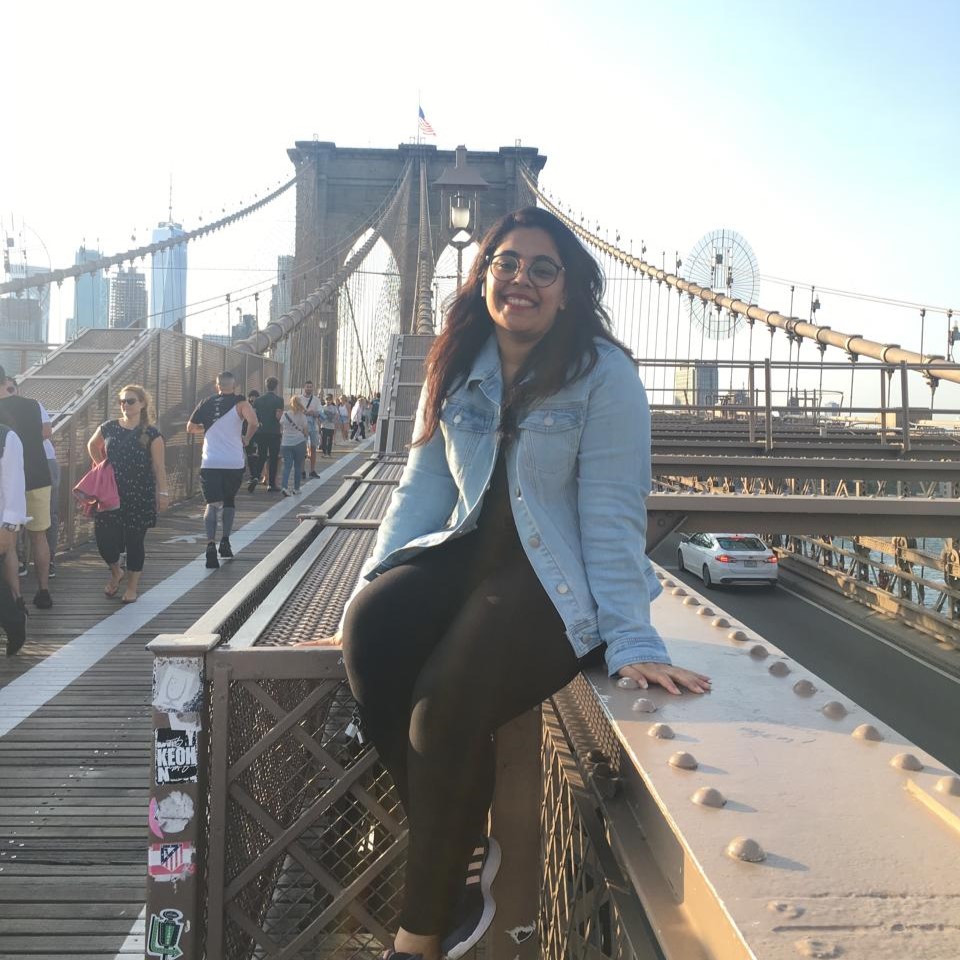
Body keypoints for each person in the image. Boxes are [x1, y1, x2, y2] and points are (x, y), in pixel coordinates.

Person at [296, 207, 710, 960]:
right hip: (465, 558)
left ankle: (416, 938)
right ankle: (456, 840)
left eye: (542, 268)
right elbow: (422, 486)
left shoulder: (605, 374)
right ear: (485, 276)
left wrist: (631, 637)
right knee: (371, 630)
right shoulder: (458, 360)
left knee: (443, 709)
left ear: (569, 290)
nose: (521, 279)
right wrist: (370, 583)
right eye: (507, 263)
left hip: (550, 584)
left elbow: (614, 512)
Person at [87, 385, 168, 603]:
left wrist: (163, 493)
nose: (125, 405)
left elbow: (159, 467)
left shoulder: (152, 434)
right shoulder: (109, 427)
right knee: (104, 538)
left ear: (142, 404)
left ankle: (132, 587)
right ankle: (116, 571)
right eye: (122, 401)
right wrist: (101, 466)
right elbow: (92, 445)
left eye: (130, 401)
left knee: (134, 541)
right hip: (111, 492)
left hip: (139, 493)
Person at [187, 372, 259, 569]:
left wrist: (209, 426)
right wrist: (246, 439)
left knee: (211, 504)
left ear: (216, 386)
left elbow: (190, 427)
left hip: (210, 461)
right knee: (229, 501)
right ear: (234, 385)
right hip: (233, 461)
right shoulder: (241, 403)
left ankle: (210, 545)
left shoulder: (206, 402)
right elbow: (253, 423)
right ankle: (225, 542)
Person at [0, 373, 53, 610]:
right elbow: (45, 433)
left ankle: (16, 599)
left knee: (9, 543)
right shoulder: (33, 405)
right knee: (39, 535)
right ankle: (43, 591)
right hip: (38, 475)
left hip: (8, 481)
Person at [0, 423, 28, 654]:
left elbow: (14, 484)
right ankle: (13, 621)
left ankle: (13, 621)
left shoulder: (6, 437)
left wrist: (8, 526)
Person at [250, 377, 284, 492]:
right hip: (274, 432)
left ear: (266, 385)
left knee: (261, 456)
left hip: (261, 432)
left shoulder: (258, 400)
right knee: (273, 458)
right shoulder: (279, 400)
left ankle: (255, 477)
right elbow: (278, 417)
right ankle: (271, 484)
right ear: (276, 386)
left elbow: (254, 416)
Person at [279, 395, 309, 496]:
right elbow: (305, 431)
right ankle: (296, 489)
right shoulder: (303, 416)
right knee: (297, 466)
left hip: (286, 443)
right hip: (299, 442)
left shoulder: (285, 414)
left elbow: (281, 426)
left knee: (287, 466)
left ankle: (284, 487)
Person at [298, 380, 322, 480]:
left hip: (313, 426)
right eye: (307, 386)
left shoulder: (316, 400)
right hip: (302, 426)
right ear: (304, 387)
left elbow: (320, 412)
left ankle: (312, 470)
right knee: (302, 449)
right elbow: (295, 411)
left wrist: (313, 412)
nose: (309, 388)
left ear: (313, 388)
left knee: (313, 448)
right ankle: (302, 471)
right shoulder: (298, 399)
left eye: (310, 387)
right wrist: (304, 412)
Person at [244, 389, 261, 487]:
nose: (253, 399)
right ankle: (254, 475)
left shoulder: (258, 407)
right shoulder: (246, 406)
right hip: (248, 433)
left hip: (254, 434)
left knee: (252, 455)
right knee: (251, 455)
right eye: (251, 397)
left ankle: (254, 475)